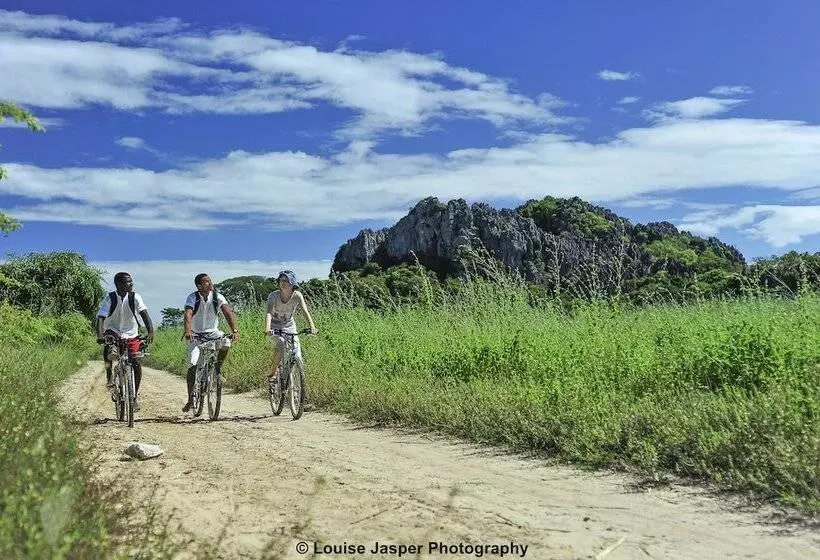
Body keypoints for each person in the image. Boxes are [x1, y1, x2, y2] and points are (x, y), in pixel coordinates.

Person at [95, 272, 155, 412]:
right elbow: (101, 318)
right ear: (119, 284)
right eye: (128, 282)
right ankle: (109, 376)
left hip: (131, 332)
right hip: (113, 330)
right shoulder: (110, 298)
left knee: (136, 362)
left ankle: (133, 398)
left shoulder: (135, 297)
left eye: (131, 281)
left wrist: (150, 331)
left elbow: (144, 314)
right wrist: (99, 335)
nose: (131, 284)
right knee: (109, 346)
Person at [182, 273, 240, 413]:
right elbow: (188, 313)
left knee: (226, 342)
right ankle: (190, 399)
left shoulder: (217, 297)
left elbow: (227, 312)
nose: (210, 283)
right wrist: (188, 331)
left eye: (210, 281)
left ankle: (218, 368)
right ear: (199, 286)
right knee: (193, 365)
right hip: (196, 335)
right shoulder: (193, 297)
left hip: (213, 333)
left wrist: (235, 330)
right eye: (206, 282)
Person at [265, 270, 318, 409]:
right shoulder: (273, 296)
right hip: (274, 326)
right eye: (281, 280)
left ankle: (299, 398)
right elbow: (269, 313)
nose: (283, 283)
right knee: (281, 344)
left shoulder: (297, 296)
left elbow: (305, 311)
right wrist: (267, 329)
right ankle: (272, 374)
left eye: (286, 281)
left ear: (292, 284)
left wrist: (312, 327)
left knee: (297, 356)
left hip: (289, 326)